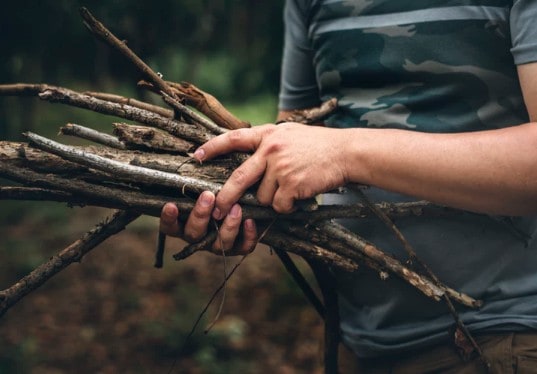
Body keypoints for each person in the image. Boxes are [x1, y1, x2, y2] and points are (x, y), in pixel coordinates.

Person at [161, 1, 537, 372]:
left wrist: (345, 153)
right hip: (358, 343)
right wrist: (228, 205)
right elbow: (299, 149)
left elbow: (329, 151)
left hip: (503, 337)